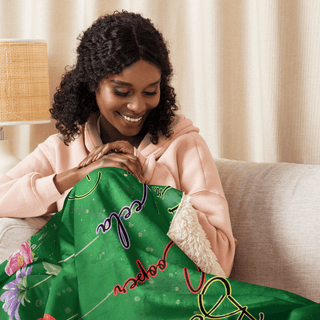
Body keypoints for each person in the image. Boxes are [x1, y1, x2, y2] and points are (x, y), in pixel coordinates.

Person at [0, 10, 236, 277]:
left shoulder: (186, 146)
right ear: (92, 84)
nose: (137, 106)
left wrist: (141, 177)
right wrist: (80, 175)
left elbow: (220, 259)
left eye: (150, 91)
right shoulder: (63, 148)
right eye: (122, 92)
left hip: (167, 294)